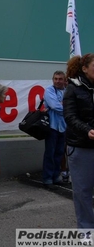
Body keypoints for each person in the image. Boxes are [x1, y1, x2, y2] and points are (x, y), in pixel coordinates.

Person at [63, 53, 94, 230]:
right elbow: (70, 116)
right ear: (84, 68)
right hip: (81, 147)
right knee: (83, 191)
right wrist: (87, 130)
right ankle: (86, 229)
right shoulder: (73, 88)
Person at [42, 71, 66, 189]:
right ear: (52, 80)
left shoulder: (67, 91)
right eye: (55, 79)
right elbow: (55, 106)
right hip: (52, 126)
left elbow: (73, 106)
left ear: (64, 80)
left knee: (59, 153)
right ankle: (47, 179)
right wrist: (65, 106)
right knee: (50, 154)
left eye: (60, 79)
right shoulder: (49, 90)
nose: (57, 81)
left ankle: (56, 177)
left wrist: (62, 105)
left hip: (63, 127)